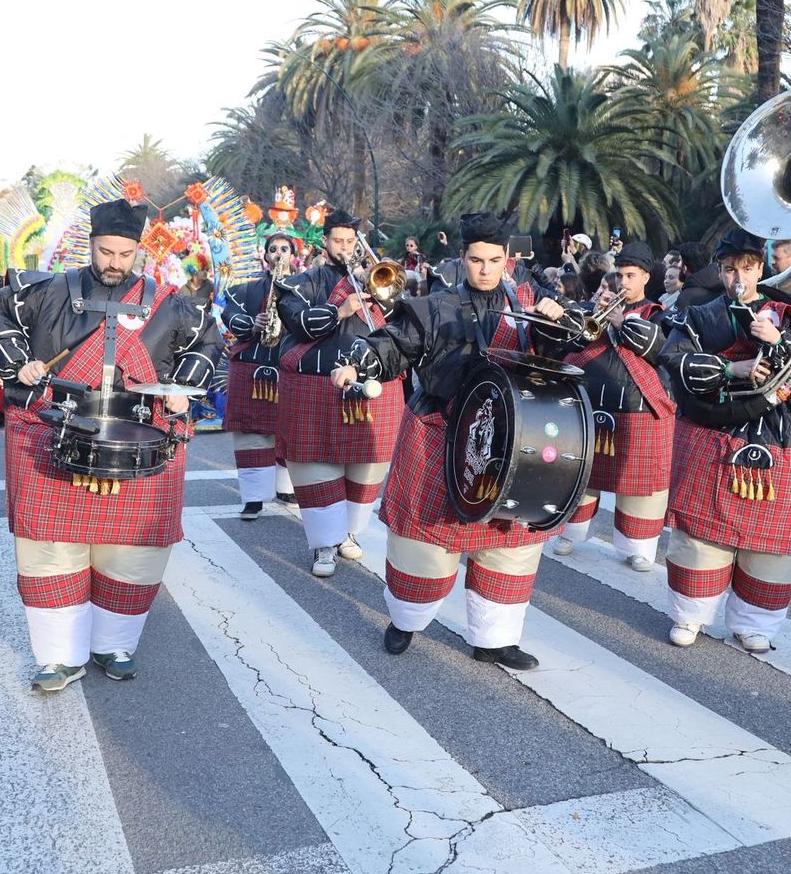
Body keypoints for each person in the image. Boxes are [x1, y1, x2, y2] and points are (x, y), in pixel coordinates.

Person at [0, 198, 221, 691]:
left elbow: (207, 342)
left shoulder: (167, 301)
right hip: (56, 431)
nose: (114, 262)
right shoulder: (48, 290)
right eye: (105, 251)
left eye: (125, 253)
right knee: (52, 547)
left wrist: (180, 392)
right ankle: (58, 657)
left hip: (139, 436)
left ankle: (114, 644)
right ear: (90, 245)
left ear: (139, 250)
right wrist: (19, 363)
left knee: (131, 549)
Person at [332, 211, 577, 670]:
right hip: (439, 432)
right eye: (476, 260)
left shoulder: (532, 304)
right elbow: (392, 345)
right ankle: (406, 619)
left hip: (509, 440)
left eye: (494, 260)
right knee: (423, 543)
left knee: (510, 542)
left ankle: (495, 638)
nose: (485, 269)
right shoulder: (435, 306)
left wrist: (558, 320)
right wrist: (358, 363)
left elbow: (569, 346)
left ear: (509, 259)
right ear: (462, 259)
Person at [657, 230, 791, 652]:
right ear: (720, 270)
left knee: (778, 536)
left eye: (748, 268)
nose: (739, 276)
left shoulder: (788, 311)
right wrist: (734, 370)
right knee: (701, 530)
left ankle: (756, 621)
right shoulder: (697, 314)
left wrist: (780, 342)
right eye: (731, 268)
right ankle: (690, 614)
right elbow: (675, 361)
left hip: (785, 428)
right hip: (715, 424)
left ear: (760, 268)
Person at [274, 210, 405, 577]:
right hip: (316, 384)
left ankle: (346, 532)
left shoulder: (372, 277)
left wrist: (376, 287)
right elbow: (297, 324)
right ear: (324, 242)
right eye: (338, 241)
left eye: (351, 242)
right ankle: (322, 546)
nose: (345, 248)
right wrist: (340, 307)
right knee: (317, 465)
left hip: (368, 384)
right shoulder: (302, 281)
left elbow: (398, 319)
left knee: (366, 463)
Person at [555, 243, 674, 570]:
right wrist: (594, 314)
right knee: (582, 473)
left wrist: (621, 320)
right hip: (592, 402)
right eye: (619, 274)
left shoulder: (658, 312)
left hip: (638, 409)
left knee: (638, 483)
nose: (623, 282)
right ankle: (570, 531)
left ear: (645, 277)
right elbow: (574, 343)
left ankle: (639, 547)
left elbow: (661, 351)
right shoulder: (601, 304)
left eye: (630, 275)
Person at [221, 231, 298, 520]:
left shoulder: (306, 288)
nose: (279, 254)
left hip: (289, 368)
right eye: (273, 249)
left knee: (290, 431)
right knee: (251, 433)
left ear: (293, 255)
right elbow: (229, 314)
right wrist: (254, 323)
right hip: (252, 367)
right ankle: (253, 497)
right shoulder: (247, 289)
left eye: (285, 249)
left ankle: (287, 487)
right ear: (265, 255)